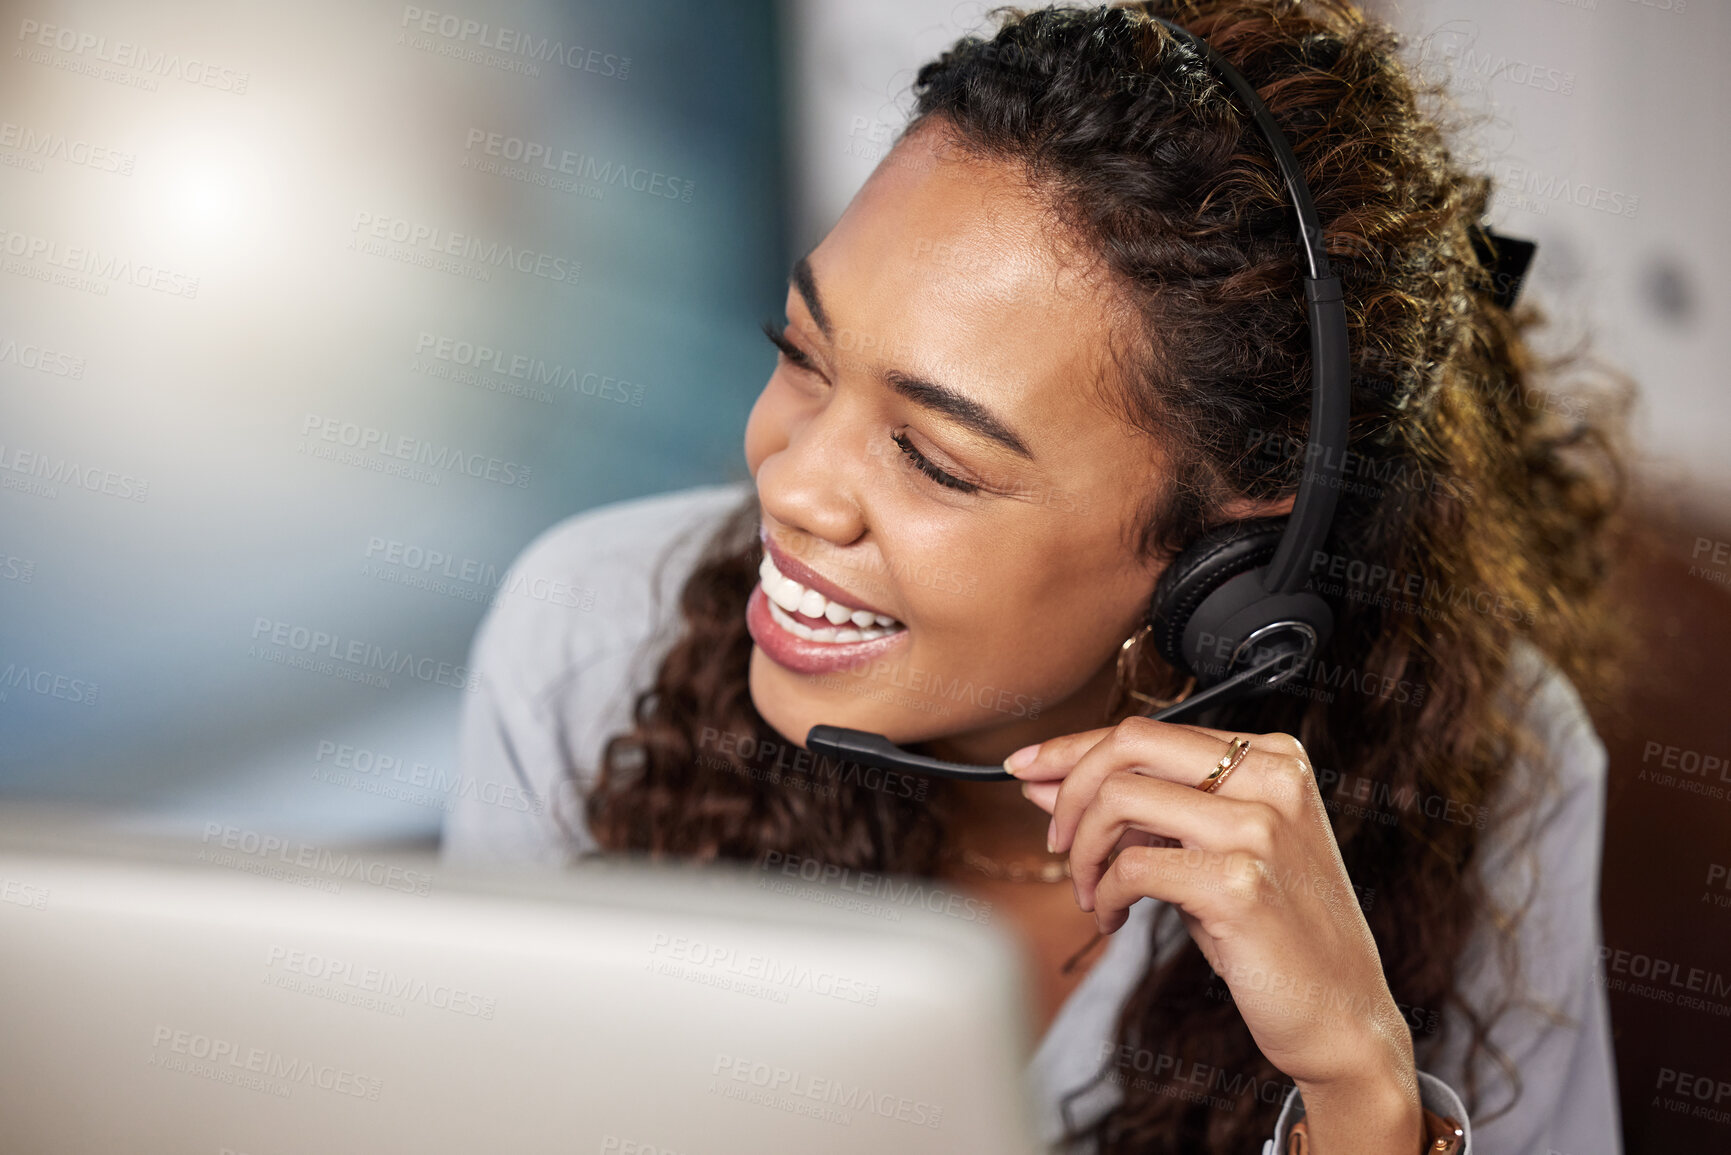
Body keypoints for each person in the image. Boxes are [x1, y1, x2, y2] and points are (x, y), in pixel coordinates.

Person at [441, 2, 1630, 1152]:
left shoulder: (1493, 774)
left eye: (933, 458)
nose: (794, 486)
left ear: (1229, 566)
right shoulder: (586, 644)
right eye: (802, 357)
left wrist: (1360, 1086)